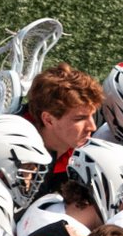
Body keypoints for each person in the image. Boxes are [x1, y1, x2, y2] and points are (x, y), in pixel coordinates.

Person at [21, 63, 101, 195]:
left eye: (92, 115)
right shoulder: (12, 155)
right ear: (48, 119)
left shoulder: (80, 150)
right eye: (80, 119)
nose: (92, 127)